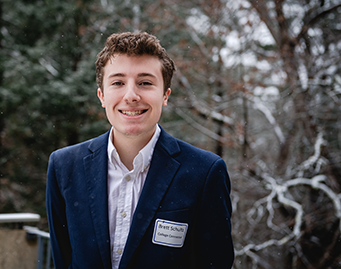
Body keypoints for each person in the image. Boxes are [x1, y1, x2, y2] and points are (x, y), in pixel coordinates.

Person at [46, 32, 234, 269]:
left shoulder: (205, 172)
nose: (131, 96)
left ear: (165, 95)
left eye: (145, 82)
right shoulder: (64, 166)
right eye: (118, 82)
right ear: (102, 96)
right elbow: (63, 260)